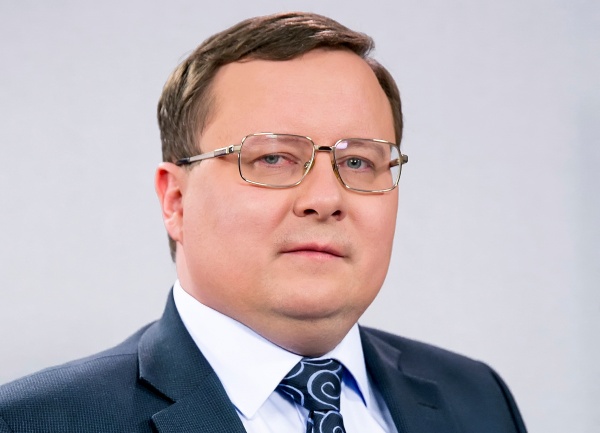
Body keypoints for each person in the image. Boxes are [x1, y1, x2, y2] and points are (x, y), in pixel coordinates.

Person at [0, 11, 526, 433]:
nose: (326, 198)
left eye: (358, 162)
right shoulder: (35, 422)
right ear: (176, 200)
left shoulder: (477, 398)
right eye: (273, 158)